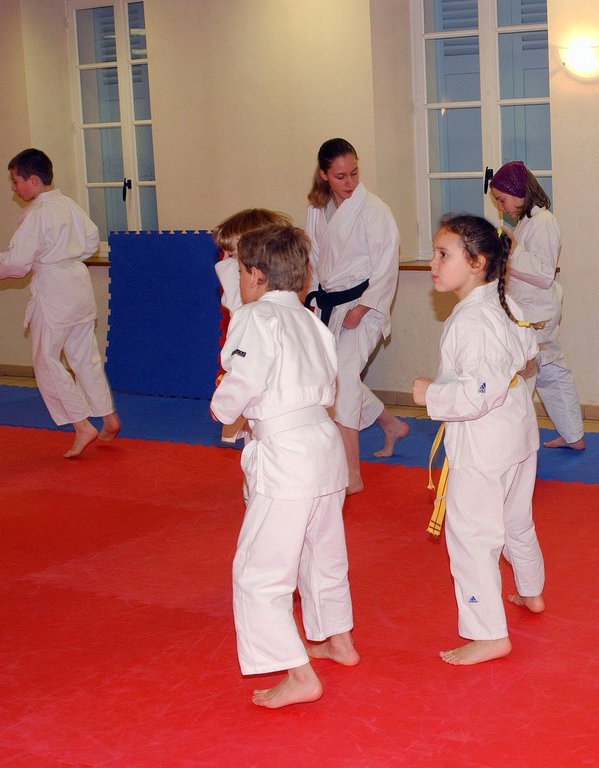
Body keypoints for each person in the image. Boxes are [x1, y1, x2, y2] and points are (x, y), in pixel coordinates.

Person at [210, 223, 358, 708]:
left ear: (253, 275)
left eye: (239, 271)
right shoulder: (311, 321)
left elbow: (242, 378)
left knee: (258, 572)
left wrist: (221, 407)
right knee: (323, 550)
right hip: (323, 446)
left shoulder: (255, 319)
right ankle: (337, 638)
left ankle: (298, 675)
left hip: (286, 456)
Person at [412, 213, 546, 666]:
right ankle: (530, 591)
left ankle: (488, 633)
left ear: (476, 262)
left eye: (442, 254)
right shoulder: (506, 304)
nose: (432, 263)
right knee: (515, 519)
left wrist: (429, 393)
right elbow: (529, 352)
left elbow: (477, 394)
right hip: (518, 432)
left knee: (472, 536)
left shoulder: (472, 321)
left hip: (485, 442)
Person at [0, 148, 120, 458]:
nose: (14, 188)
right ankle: (108, 417)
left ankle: (82, 424)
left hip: (54, 292)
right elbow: (90, 241)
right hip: (77, 286)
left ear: (32, 180)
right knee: (85, 357)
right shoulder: (68, 205)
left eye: (16, 181)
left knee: (46, 361)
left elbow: (17, 263)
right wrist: (65, 257)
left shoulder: (36, 215)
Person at [304, 138, 408, 494]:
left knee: (344, 379)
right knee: (335, 377)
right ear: (324, 176)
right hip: (330, 305)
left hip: (365, 306)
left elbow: (386, 266)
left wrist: (363, 308)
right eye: (340, 176)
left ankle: (352, 474)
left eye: (354, 173)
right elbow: (315, 262)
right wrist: (311, 301)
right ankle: (390, 424)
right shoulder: (317, 211)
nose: (349, 183)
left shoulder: (374, 209)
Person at [489, 161, 585, 450]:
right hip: (534, 312)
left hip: (535, 316)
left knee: (522, 375)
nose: (502, 207)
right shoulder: (530, 222)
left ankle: (515, 444)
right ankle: (573, 436)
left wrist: (513, 251)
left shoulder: (543, 222)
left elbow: (544, 274)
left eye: (502, 200)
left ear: (518, 192)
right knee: (552, 374)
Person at [212, 208, 293, 444]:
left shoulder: (266, 309)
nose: (226, 263)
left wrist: (224, 406)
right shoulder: (247, 302)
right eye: (226, 255)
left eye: (233, 255)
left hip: (280, 408)